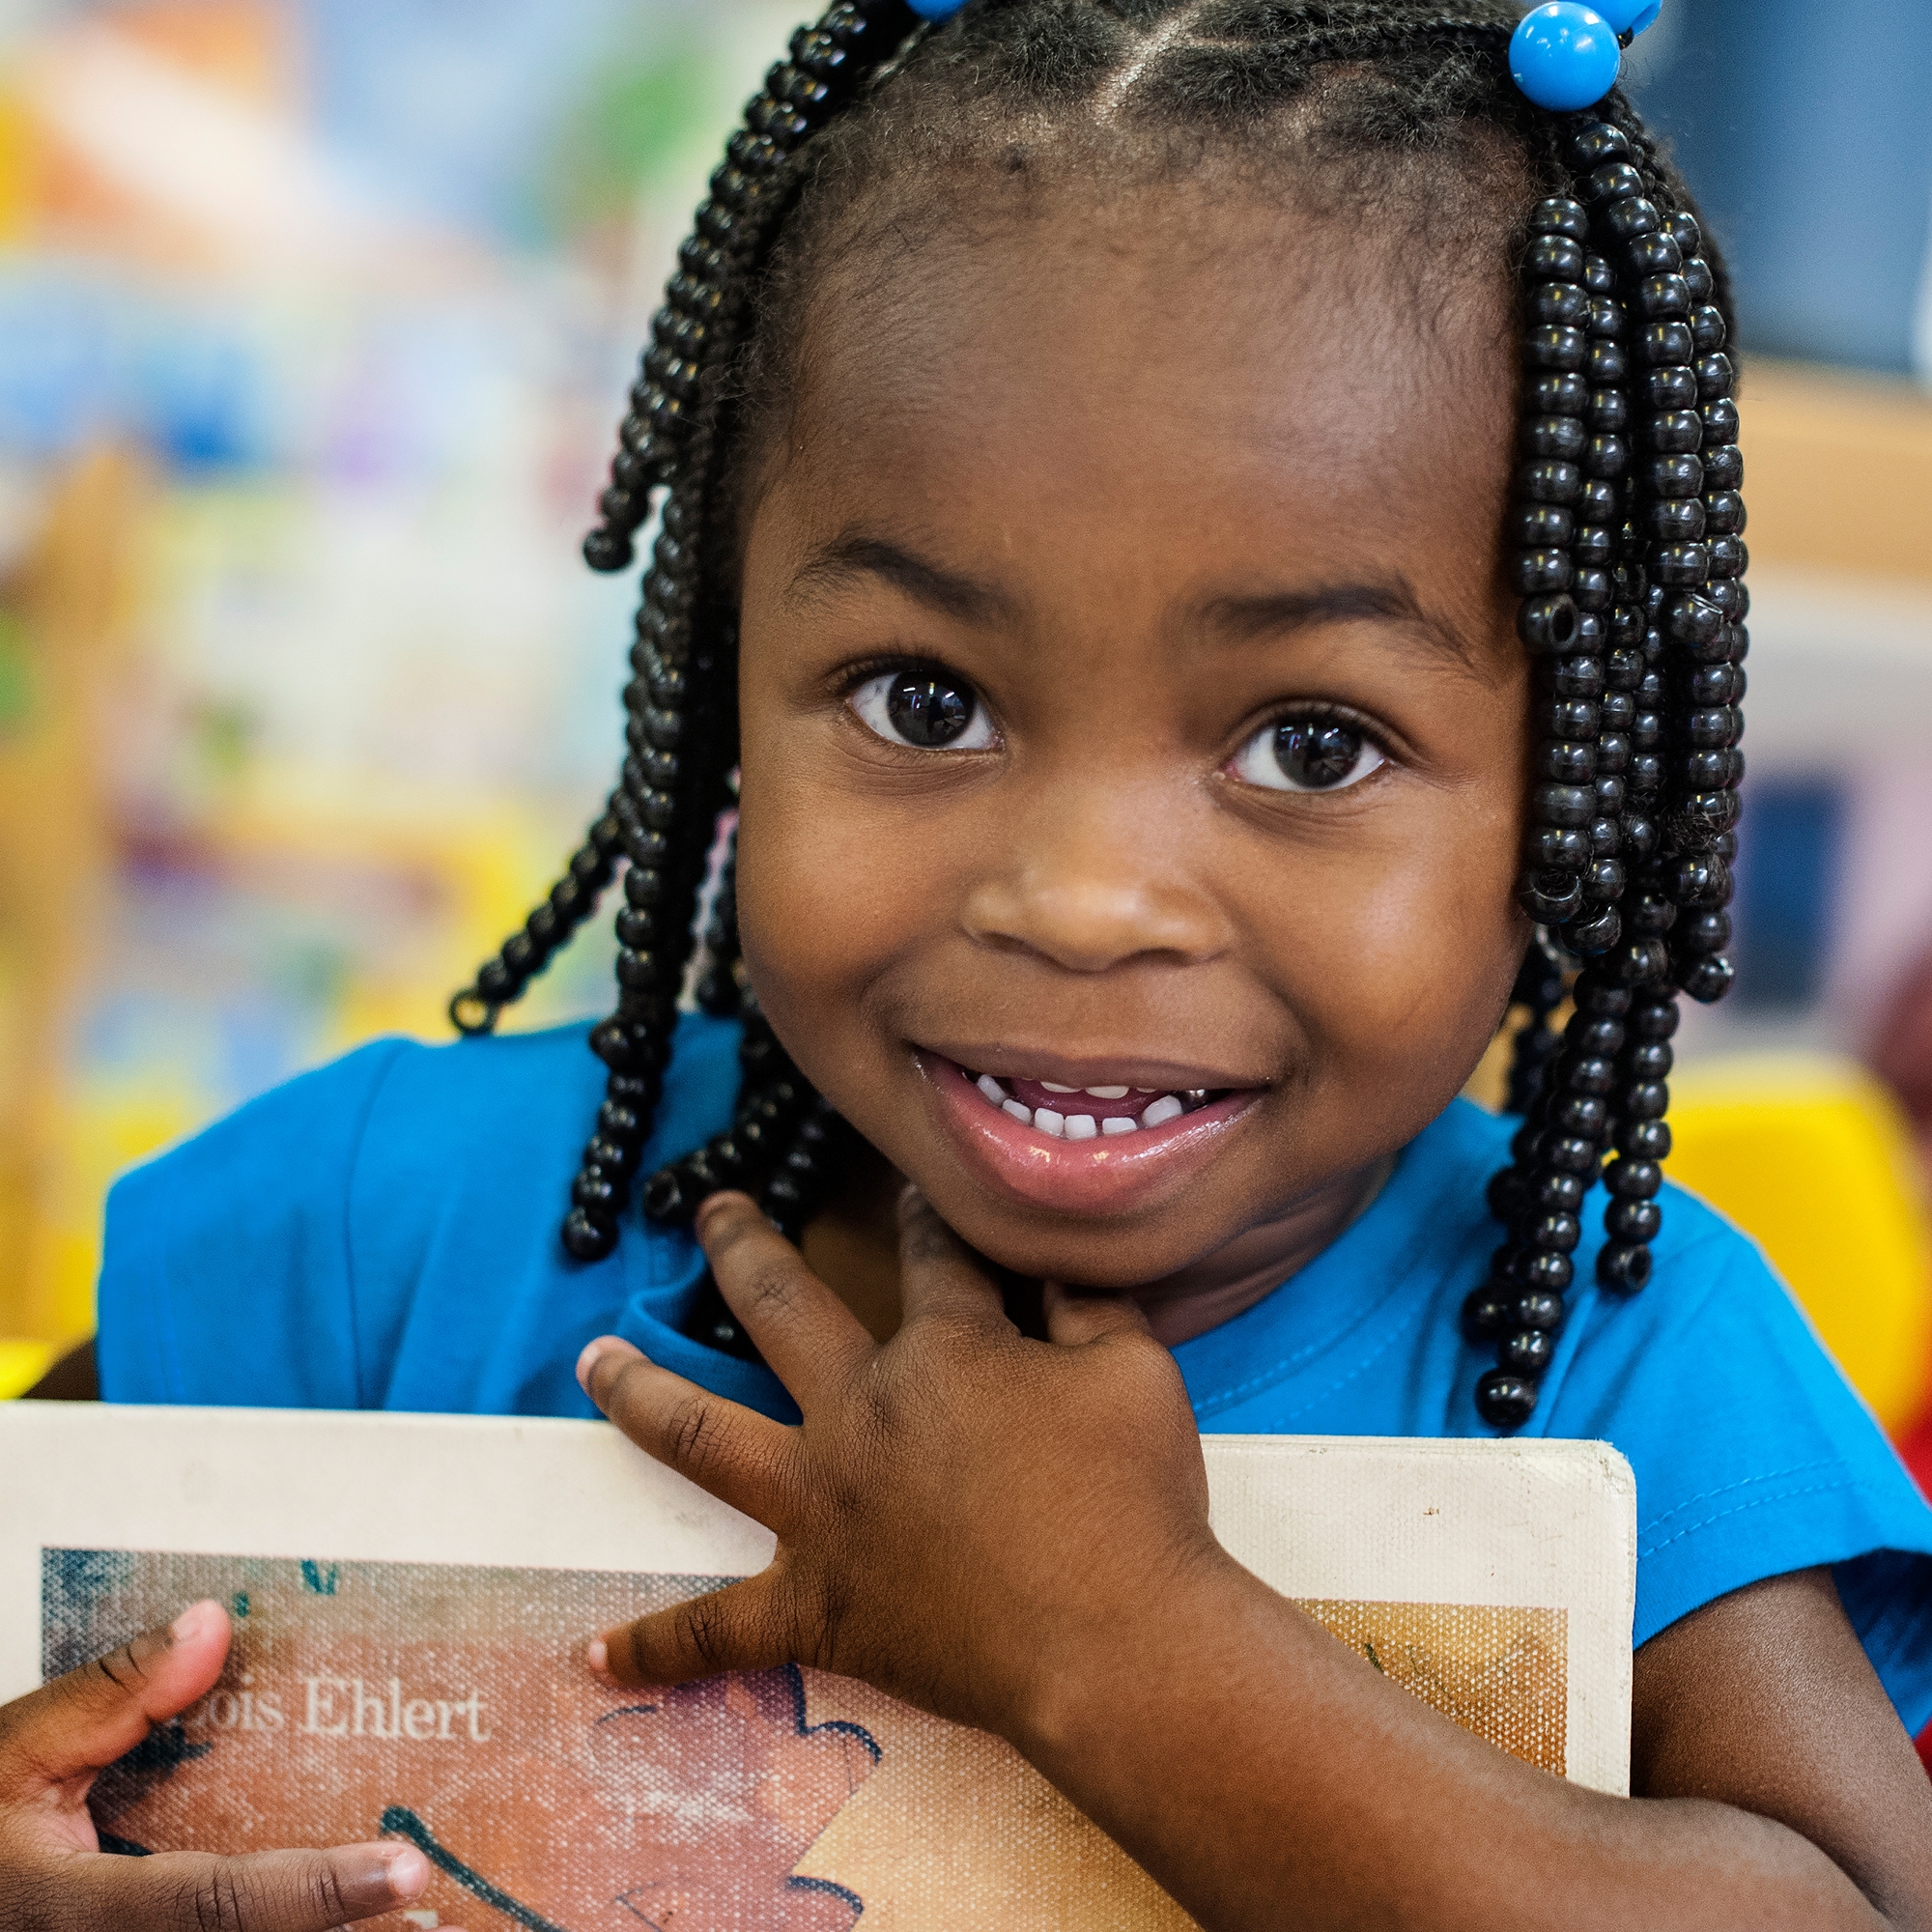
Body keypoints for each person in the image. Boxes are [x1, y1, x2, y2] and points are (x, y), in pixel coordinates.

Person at [10, 0, 1932, 1924]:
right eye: (923, 700)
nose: (1082, 898)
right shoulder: (386, 1239)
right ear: (721, 683)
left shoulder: (1622, 1356)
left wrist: (1117, 1640)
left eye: (1311, 745)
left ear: (1571, 798)